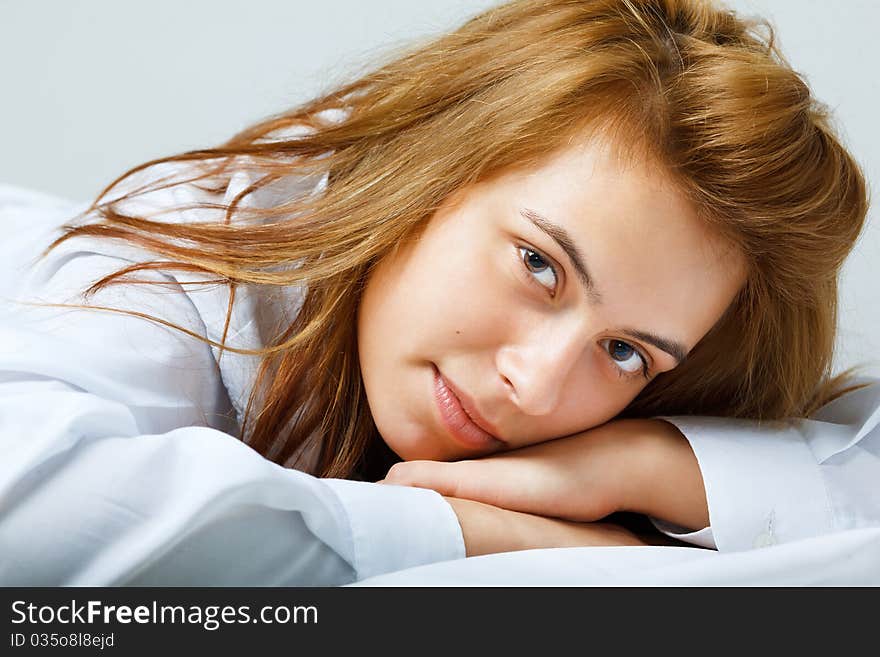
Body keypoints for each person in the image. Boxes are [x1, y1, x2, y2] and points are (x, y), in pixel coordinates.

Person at [1, 0, 877, 585]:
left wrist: (645, 465)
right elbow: (30, 511)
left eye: (624, 351)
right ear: (428, 169)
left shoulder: (609, 425)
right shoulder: (192, 258)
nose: (534, 385)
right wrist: (501, 541)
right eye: (541, 265)